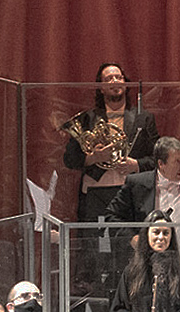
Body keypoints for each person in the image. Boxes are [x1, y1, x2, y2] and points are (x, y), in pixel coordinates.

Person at [61, 62, 158, 227]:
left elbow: (158, 157)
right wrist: (93, 158)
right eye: (109, 79)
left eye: (118, 77)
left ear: (126, 85)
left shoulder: (143, 118)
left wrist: (136, 165)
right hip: (95, 193)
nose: (115, 81)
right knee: (99, 247)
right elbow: (69, 159)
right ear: (101, 88)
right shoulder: (88, 119)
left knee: (128, 245)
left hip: (130, 191)